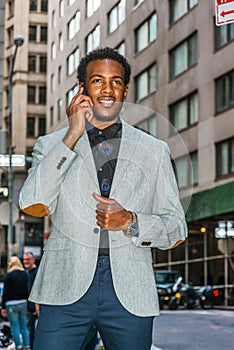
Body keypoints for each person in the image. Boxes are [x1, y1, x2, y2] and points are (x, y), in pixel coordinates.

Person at [19, 47, 187, 350]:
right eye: (98, 80)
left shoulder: (154, 150)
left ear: (125, 90)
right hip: (64, 287)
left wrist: (131, 221)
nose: (108, 89)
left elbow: (176, 228)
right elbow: (32, 202)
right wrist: (71, 135)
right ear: (82, 88)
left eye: (117, 82)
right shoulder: (52, 145)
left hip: (129, 292)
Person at [1, 256, 31, 350]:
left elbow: (5, 293)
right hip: (23, 302)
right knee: (24, 325)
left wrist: (3, 307)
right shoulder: (25, 274)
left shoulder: (8, 276)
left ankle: (18, 345)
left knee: (14, 326)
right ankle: (27, 345)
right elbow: (28, 289)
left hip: (11, 304)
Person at [23, 252, 39, 349]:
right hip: (25, 303)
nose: (26, 261)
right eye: (24, 259)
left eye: (28, 259)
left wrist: (37, 304)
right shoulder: (24, 272)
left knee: (30, 327)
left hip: (33, 304)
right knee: (27, 326)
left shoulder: (36, 272)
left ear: (33, 260)